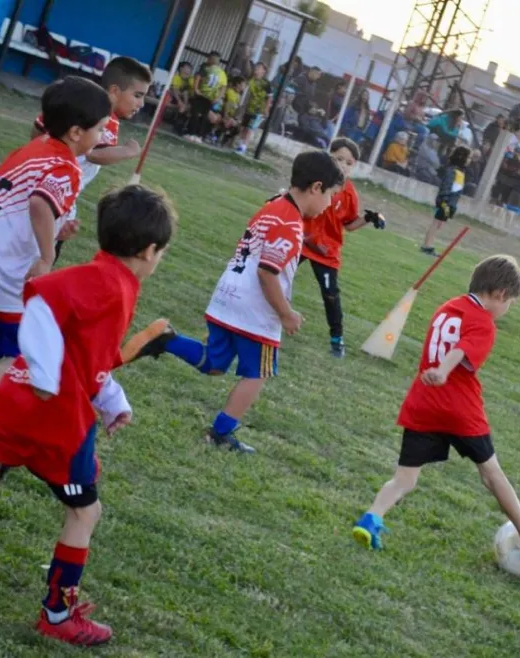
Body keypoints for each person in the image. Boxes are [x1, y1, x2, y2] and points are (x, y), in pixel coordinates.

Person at [0, 185, 177, 647]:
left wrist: (112, 399)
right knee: (85, 514)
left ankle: (58, 612)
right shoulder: (108, 283)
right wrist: (44, 372)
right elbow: (43, 297)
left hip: (18, 404)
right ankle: (57, 615)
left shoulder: (113, 281)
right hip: (54, 420)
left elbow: (89, 356)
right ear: (148, 250)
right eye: (161, 252)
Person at [118, 151, 345, 453]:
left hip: (227, 296)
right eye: (330, 195)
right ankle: (220, 433)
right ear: (316, 187)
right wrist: (286, 313)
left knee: (214, 364)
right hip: (255, 310)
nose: (329, 203)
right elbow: (267, 272)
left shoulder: (273, 205)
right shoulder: (291, 224)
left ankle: (167, 339)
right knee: (258, 373)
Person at [351, 255, 520, 577]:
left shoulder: (446, 307)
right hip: (459, 409)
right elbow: (460, 350)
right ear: (500, 294)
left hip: (423, 402)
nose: (506, 310)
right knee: (491, 474)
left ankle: (371, 518)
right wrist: (444, 371)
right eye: (510, 303)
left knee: (404, 479)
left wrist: (437, 372)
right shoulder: (484, 323)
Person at [0, 77, 112, 426]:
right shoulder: (68, 165)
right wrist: (46, 255)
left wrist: (59, 229)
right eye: (100, 129)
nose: (101, 138)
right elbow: (41, 204)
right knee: (32, 354)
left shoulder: (32, 148)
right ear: (75, 132)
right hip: (6, 273)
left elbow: (31, 206)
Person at [31, 56, 151, 263]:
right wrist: (128, 151)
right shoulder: (106, 115)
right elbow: (95, 154)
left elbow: (37, 129)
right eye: (137, 95)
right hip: (56, 196)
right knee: (39, 258)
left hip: (33, 184)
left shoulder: (76, 100)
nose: (141, 104)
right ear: (114, 91)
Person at [297, 139, 385, 357]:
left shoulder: (349, 194)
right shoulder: (316, 182)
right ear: (329, 156)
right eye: (338, 159)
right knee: (275, 273)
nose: (343, 165)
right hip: (302, 242)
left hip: (326, 252)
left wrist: (368, 218)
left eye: (349, 162)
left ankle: (337, 339)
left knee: (331, 295)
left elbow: (350, 225)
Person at [421, 146, 470, 256]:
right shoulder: (452, 171)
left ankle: (429, 245)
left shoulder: (460, 172)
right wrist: (444, 202)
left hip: (450, 203)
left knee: (439, 224)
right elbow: (446, 187)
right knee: (436, 223)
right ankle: (427, 246)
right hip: (445, 202)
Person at [186, 51, 226, 141]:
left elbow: (198, 77)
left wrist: (196, 89)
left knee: (197, 114)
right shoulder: (220, 72)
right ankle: (198, 135)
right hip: (208, 97)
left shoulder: (207, 68)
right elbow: (223, 86)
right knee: (202, 115)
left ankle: (193, 133)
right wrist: (218, 97)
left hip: (203, 95)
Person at [237, 62, 270, 154]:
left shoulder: (266, 83)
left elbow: (269, 97)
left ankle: (243, 147)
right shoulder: (251, 80)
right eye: (256, 67)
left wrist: (266, 109)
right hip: (248, 107)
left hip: (258, 110)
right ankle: (240, 143)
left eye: (259, 67)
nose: (257, 69)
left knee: (250, 128)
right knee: (243, 127)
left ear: (264, 71)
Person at [169, 61, 195, 131]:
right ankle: (177, 125)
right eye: (187, 68)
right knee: (183, 106)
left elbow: (192, 91)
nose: (189, 71)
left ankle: (182, 125)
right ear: (181, 69)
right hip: (176, 99)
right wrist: (179, 101)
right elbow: (174, 91)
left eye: (190, 69)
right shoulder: (176, 78)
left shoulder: (190, 79)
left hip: (187, 100)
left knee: (189, 107)